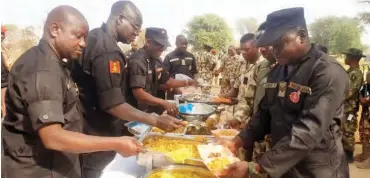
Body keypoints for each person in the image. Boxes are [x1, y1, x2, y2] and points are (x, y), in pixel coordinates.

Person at [2, 6, 146, 178]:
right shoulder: (42, 70)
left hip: (57, 164)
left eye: (84, 37)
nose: (83, 43)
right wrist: (116, 143)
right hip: (39, 170)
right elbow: (53, 137)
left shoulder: (55, 64)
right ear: (55, 30)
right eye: (78, 36)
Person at [221, 7, 349, 178]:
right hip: (285, 167)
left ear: (302, 36)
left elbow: (309, 130)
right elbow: (265, 113)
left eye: (279, 44)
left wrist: (257, 167)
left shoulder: (327, 72)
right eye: (272, 45)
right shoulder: (279, 70)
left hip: (316, 169)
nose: (274, 50)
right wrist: (238, 140)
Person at [71, 2, 185, 178]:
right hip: (98, 132)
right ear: (120, 19)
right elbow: (113, 104)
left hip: (86, 129)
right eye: (136, 27)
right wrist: (154, 120)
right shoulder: (108, 51)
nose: (137, 33)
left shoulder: (94, 37)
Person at [128, 28, 196, 115]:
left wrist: (189, 82)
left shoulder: (157, 60)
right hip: (139, 112)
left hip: (154, 109)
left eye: (164, 46)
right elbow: (139, 94)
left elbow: (168, 81)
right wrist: (163, 103)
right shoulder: (138, 60)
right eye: (160, 45)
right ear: (148, 42)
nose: (163, 49)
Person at [226, 33, 261, 130]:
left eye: (247, 49)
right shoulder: (241, 64)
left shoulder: (263, 66)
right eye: (242, 49)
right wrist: (222, 99)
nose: (243, 52)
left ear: (257, 47)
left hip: (255, 120)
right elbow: (236, 88)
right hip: (240, 115)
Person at [341, 48, 364, 163]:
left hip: (349, 109)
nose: (345, 58)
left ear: (352, 58)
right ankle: (343, 154)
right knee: (342, 130)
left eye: (347, 56)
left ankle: (348, 156)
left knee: (347, 131)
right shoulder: (350, 71)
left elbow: (349, 92)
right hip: (344, 108)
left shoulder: (356, 74)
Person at [162, 34, 197, 99]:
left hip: (188, 90)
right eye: (182, 44)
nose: (184, 46)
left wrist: (194, 85)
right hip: (174, 92)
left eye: (186, 44)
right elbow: (165, 76)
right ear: (176, 43)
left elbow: (194, 72)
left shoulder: (191, 56)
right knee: (175, 108)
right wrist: (174, 88)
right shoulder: (169, 57)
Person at [357, 69, 370, 169]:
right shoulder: (366, 86)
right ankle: (366, 154)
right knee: (363, 132)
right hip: (366, 112)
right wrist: (362, 98)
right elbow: (361, 94)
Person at [1, 25, 10, 119]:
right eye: (3, 33)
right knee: (4, 100)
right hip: (3, 76)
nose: (4, 35)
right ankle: (4, 117)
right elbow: (6, 63)